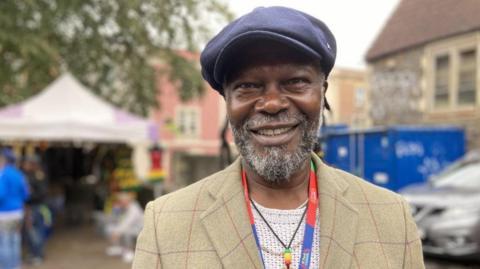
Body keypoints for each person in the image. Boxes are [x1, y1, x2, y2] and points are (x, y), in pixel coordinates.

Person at [133, 6, 425, 269]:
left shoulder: (392, 218)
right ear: (227, 102)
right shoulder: (166, 223)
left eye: (295, 82)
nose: (272, 104)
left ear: (322, 92)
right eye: (247, 86)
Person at [0, 148, 30, 269]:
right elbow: (26, 194)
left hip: (5, 214)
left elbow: (1, 194)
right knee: (16, 240)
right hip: (18, 213)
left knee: (4, 242)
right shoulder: (19, 174)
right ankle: (16, 266)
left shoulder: (3, 174)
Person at [22, 154, 50, 265]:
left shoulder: (38, 176)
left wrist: (29, 195)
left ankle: (38, 255)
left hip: (36, 208)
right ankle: (33, 253)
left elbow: (41, 194)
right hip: (30, 208)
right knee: (30, 232)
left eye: (28, 163)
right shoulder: (28, 175)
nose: (25, 165)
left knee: (35, 232)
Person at [105, 191, 144, 263]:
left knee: (125, 232)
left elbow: (127, 223)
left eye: (121, 201)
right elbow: (116, 220)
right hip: (130, 227)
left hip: (140, 230)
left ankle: (129, 251)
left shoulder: (134, 208)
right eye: (119, 201)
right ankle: (118, 248)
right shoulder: (123, 208)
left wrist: (117, 232)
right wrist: (115, 210)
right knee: (110, 228)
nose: (120, 202)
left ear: (127, 200)